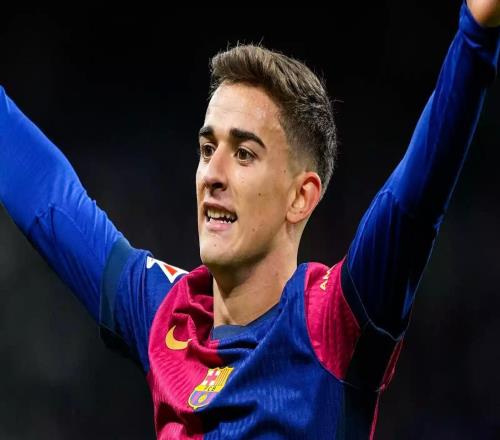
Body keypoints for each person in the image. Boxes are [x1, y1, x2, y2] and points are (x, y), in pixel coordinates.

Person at [1, 1, 499, 438]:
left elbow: (416, 198)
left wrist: (475, 37)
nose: (212, 174)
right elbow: (50, 199)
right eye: (206, 149)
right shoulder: (169, 316)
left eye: (243, 153)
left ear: (300, 197)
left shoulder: (331, 324)